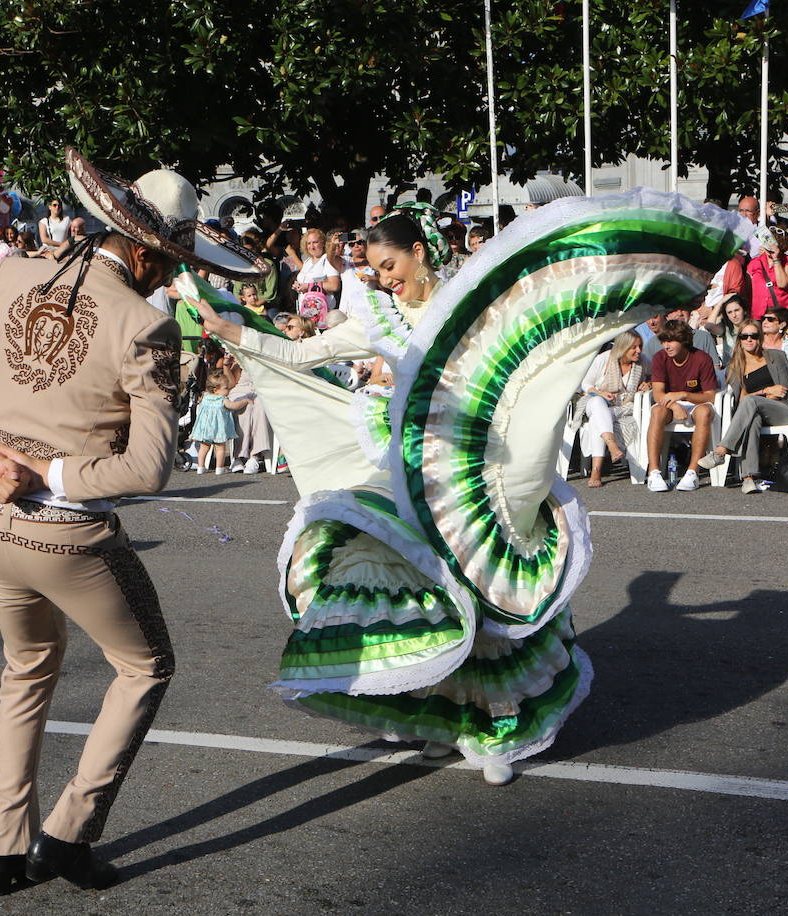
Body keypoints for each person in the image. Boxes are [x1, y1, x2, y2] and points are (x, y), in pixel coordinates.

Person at [187, 195, 745, 788]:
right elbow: (302, 352)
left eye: (392, 268)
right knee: (436, 589)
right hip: (410, 469)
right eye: (375, 271)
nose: (384, 281)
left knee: (488, 593)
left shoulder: (475, 308)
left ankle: (497, 728)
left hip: (479, 469)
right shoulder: (377, 315)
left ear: (421, 254)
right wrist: (233, 331)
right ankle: (444, 721)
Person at [0, 148, 267, 895]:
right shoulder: (145, 323)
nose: (171, 275)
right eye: (168, 262)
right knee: (146, 665)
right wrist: (52, 474)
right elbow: (147, 469)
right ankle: (68, 832)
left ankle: (4, 845)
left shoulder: (9, 277)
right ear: (140, 252)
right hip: (68, 534)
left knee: (25, 671)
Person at [698, 320, 788, 494]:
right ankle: (748, 479)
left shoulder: (776, 356)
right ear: (739, 340)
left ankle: (721, 450)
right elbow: (742, 399)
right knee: (752, 419)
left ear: (760, 338)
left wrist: (763, 395)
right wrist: (766, 391)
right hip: (755, 411)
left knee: (751, 403)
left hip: (782, 410)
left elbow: (783, 390)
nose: (749, 340)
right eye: (745, 336)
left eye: (754, 336)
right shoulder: (736, 366)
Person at [645, 318, 720, 492]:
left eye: (671, 341)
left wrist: (684, 395)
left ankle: (692, 471)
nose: (666, 345)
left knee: (704, 413)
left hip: (695, 402)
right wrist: (675, 405)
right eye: (664, 341)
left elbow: (710, 396)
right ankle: (654, 471)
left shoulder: (702, 358)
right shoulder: (660, 358)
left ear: (683, 340)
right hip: (670, 404)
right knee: (657, 412)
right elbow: (657, 393)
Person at [574, 329, 647, 488]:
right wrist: (600, 393)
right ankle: (612, 444)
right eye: (634, 347)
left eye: (640, 346)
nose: (639, 351)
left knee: (596, 421)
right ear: (623, 347)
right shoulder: (604, 359)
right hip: (597, 402)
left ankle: (596, 471)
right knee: (597, 403)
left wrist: (648, 384)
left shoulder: (643, 362)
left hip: (624, 407)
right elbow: (586, 384)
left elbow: (655, 379)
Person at [188, 369, 238, 474]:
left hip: (205, 428)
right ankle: (219, 468)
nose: (228, 390)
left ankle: (200, 467)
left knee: (204, 447)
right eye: (226, 388)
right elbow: (233, 406)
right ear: (215, 390)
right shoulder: (223, 399)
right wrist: (244, 402)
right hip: (218, 428)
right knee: (220, 448)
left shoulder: (206, 397)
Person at [746, 226, 788, 319]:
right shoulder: (754, 263)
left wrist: (776, 259)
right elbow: (747, 290)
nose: (769, 246)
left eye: (773, 243)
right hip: (759, 314)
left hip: (781, 314)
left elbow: (783, 283)